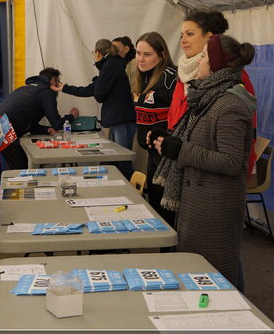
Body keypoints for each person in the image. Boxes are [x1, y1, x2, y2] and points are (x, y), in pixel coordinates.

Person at [149, 34, 256, 284]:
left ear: (216, 63)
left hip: (214, 209)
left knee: (215, 277)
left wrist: (180, 150)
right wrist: (168, 139)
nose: (199, 61)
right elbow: (198, 138)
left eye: (204, 56)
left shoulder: (229, 105)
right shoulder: (209, 97)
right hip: (199, 203)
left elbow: (231, 162)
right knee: (199, 274)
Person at [167, 9, 259, 178]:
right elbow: (174, 116)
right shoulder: (183, 74)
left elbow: (233, 151)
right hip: (185, 161)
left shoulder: (234, 78)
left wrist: (181, 149)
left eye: (189, 34)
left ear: (209, 37)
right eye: (181, 35)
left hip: (210, 172)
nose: (183, 40)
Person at [61, 39, 137, 178]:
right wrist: (64, 88)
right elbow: (92, 89)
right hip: (117, 119)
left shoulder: (110, 65)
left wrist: (98, 86)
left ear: (97, 53)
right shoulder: (111, 65)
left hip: (121, 120)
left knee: (123, 161)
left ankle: (133, 189)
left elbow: (99, 94)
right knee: (117, 160)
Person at [130, 32, 177, 225]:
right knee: (156, 210)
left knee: (166, 216)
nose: (140, 59)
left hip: (168, 160)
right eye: (138, 53)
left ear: (162, 55)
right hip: (152, 157)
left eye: (147, 54)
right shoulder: (143, 77)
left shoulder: (170, 79)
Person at [0, 67, 77, 170]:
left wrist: (46, 130)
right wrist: (72, 116)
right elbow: (57, 124)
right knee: (19, 167)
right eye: (58, 82)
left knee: (17, 163)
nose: (59, 86)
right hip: (5, 128)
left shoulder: (30, 88)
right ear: (53, 80)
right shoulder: (46, 92)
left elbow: (29, 122)